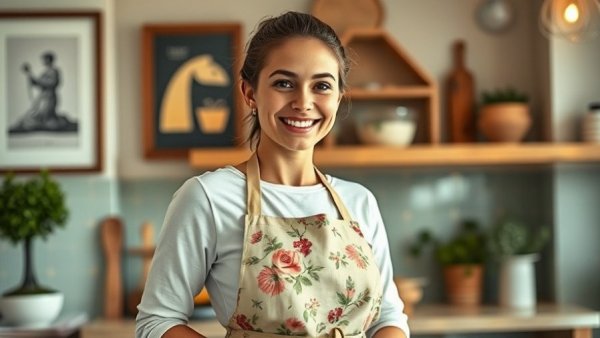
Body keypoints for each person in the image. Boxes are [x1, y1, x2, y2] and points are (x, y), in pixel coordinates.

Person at [136, 11, 409, 338]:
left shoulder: (359, 201)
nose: (303, 102)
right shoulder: (208, 197)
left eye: (321, 85)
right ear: (249, 93)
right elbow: (157, 322)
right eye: (284, 83)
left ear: (338, 98)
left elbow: (389, 317)